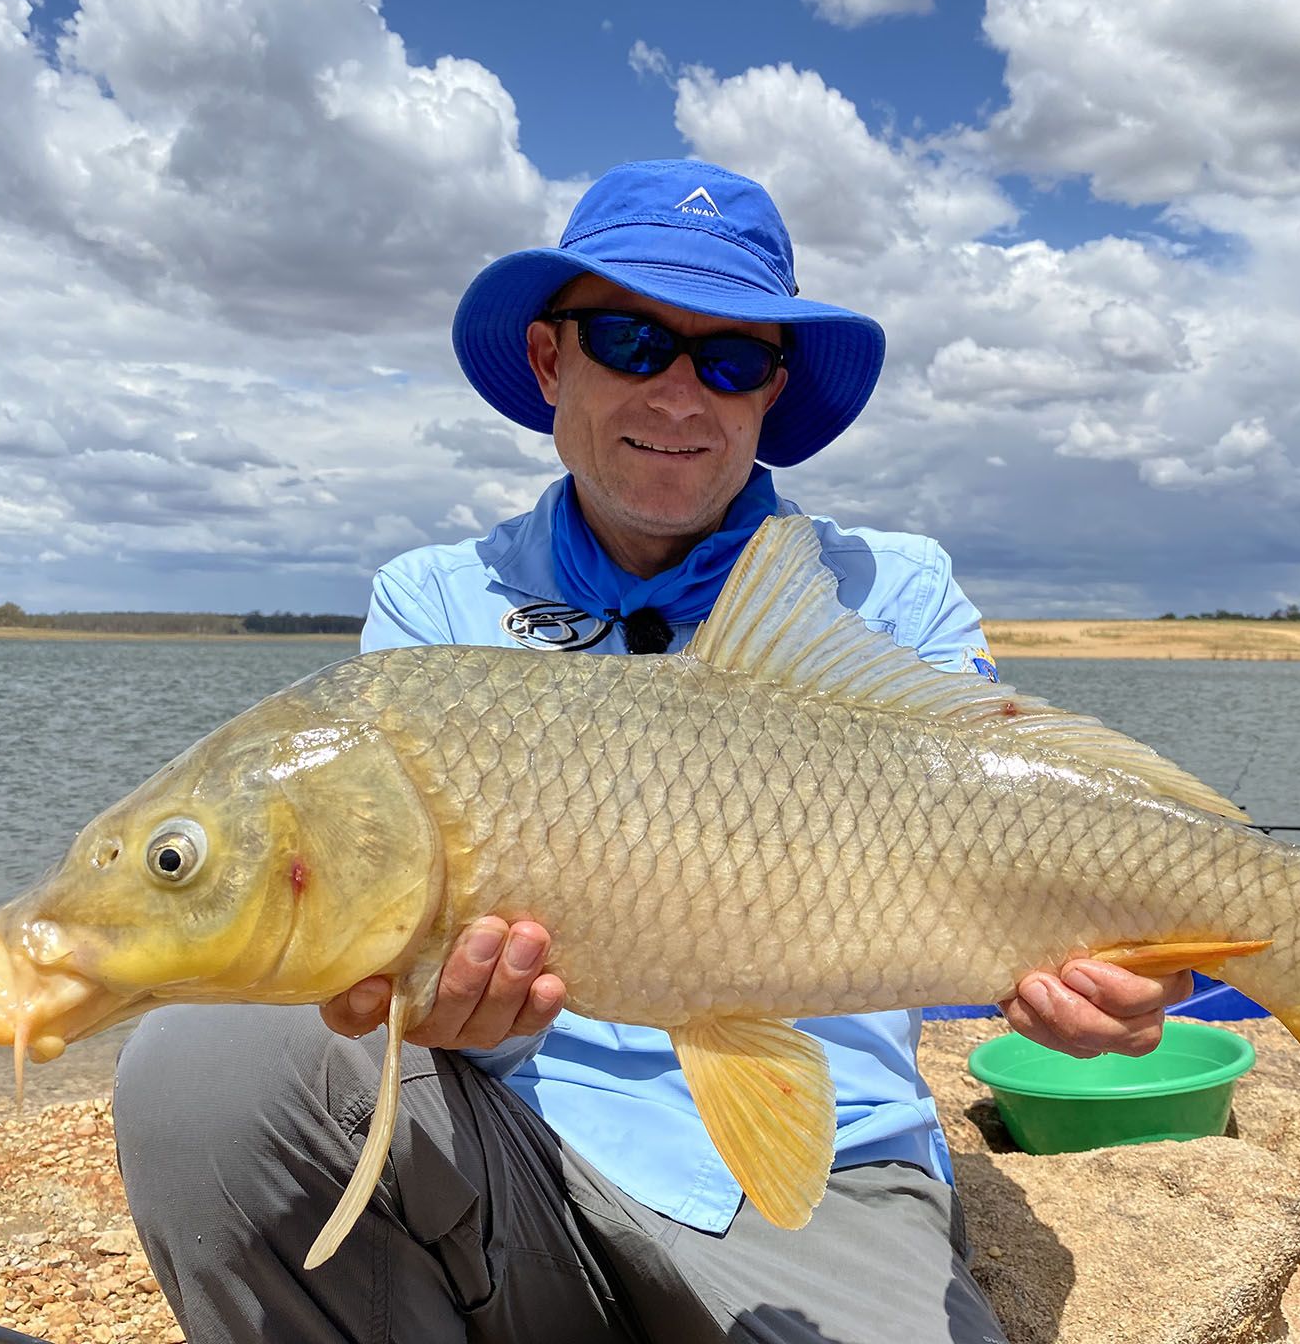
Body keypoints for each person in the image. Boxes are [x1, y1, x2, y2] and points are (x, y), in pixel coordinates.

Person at [114, 159, 1192, 1343]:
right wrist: (418, 1001)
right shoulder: (432, 605)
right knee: (203, 1066)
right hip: (502, 1143)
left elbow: (1039, 838)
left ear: (770, 392)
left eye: (730, 359)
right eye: (630, 338)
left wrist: (1142, 969)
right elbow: (366, 949)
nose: (681, 393)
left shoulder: (891, 592)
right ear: (548, 360)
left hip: (815, 1172)